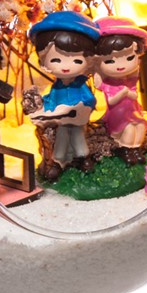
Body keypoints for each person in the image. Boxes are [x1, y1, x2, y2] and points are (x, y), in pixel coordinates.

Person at [26, 10, 100, 180]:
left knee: (78, 136)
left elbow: (90, 100)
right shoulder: (56, 87)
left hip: (77, 120)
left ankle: (83, 158)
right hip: (61, 121)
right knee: (61, 135)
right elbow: (51, 100)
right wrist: (45, 108)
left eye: (76, 60)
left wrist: (82, 108)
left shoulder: (80, 85)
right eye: (56, 60)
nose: (66, 66)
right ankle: (59, 162)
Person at [93, 17, 147, 152]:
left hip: (133, 111)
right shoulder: (108, 83)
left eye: (129, 58)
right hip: (117, 115)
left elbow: (134, 95)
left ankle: (136, 150)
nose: (121, 66)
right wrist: (124, 93)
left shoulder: (129, 81)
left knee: (141, 127)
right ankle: (126, 151)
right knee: (129, 130)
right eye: (110, 61)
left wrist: (128, 92)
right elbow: (111, 101)